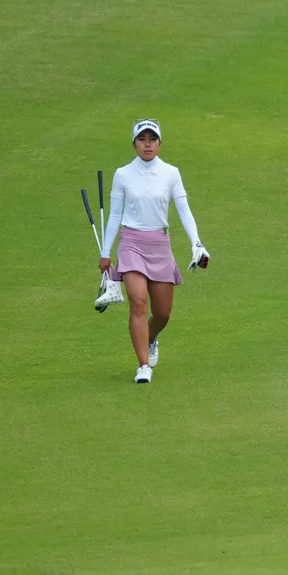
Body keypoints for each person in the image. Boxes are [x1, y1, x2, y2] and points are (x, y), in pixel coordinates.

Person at [100, 119, 210, 383]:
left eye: (152, 139)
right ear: (134, 144)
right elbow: (114, 215)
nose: (147, 144)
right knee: (138, 302)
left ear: (160, 144)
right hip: (131, 244)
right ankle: (143, 366)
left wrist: (196, 242)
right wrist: (105, 253)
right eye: (142, 139)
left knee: (162, 313)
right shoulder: (123, 174)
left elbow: (184, 210)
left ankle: (151, 339)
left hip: (160, 245)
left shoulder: (171, 173)